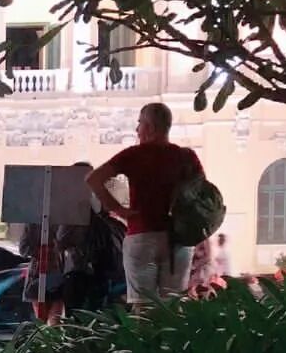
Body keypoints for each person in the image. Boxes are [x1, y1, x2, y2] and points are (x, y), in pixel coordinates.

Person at [86, 102, 203, 307]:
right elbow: (203, 191)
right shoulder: (186, 157)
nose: (137, 129)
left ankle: (144, 329)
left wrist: (119, 210)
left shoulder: (134, 155)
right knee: (173, 304)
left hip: (142, 235)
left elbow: (94, 179)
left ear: (149, 127)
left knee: (142, 304)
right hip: (177, 240)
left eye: (139, 123)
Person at [19, 223, 65, 325]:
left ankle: (51, 332)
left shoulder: (62, 222)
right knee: (42, 319)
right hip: (38, 274)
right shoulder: (32, 224)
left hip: (56, 272)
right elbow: (23, 249)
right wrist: (42, 251)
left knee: (55, 319)